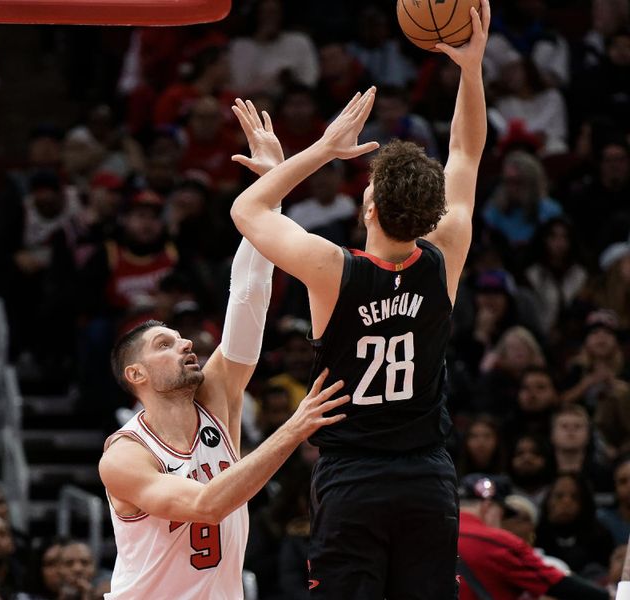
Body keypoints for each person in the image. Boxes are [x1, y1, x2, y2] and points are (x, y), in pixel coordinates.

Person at [229, 2, 489, 597]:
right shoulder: (445, 250)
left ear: (368, 208)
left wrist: (320, 149)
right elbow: (466, 155)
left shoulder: (331, 270)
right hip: (428, 477)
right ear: (430, 215)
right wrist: (471, 69)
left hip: (352, 480)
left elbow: (248, 210)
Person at [98, 114, 350, 599]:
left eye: (181, 337)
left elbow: (249, 296)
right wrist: (294, 428)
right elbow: (207, 505)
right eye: (164, 344)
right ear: (137, 374)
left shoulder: (216, 399)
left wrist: (270, 193)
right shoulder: (125, 457)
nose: (186, 344)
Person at [457, 473, 608, 600]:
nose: (501, 522)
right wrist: (609, 596)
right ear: (487, 506)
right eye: (503, 514)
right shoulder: (498, 543)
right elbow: (554, 583)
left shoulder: (435, 535)